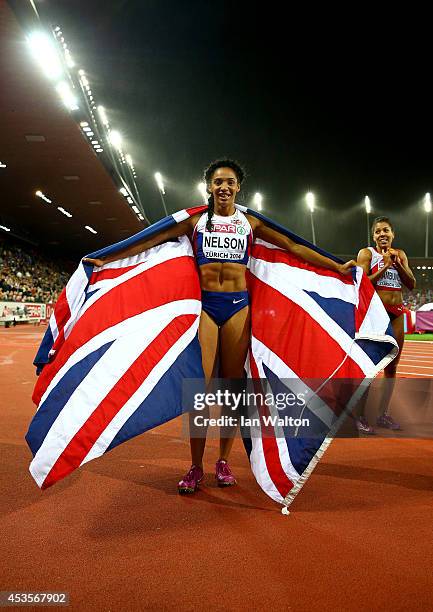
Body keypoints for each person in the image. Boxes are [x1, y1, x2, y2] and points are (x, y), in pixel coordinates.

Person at [84, 159, 357, 494]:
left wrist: (336, 266)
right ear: (209, 187)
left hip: (238, 308)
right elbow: (151, 239)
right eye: (217, 182)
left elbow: (294, 246)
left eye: (229, 182)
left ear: (238, 187)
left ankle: (223, 461)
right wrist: (109, 258)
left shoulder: (250, 222)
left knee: (231, 388)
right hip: (207, 309)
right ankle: (196, 466)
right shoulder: (196, 221)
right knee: (199, 388)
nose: (223, 187)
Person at [356, 216, 415, 433]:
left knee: (392, 368)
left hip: (397, 314)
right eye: (378, 231)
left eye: (386, 230)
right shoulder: (367, 254)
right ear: (373, 236)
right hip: (376, 314)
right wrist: (384, 267)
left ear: (392, 234)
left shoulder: (399, 255)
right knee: (370, 367)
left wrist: (397, 265)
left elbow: (411, 283)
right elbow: (362, 282)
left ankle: (383, 415)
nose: (383, 234)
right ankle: (361, 416)